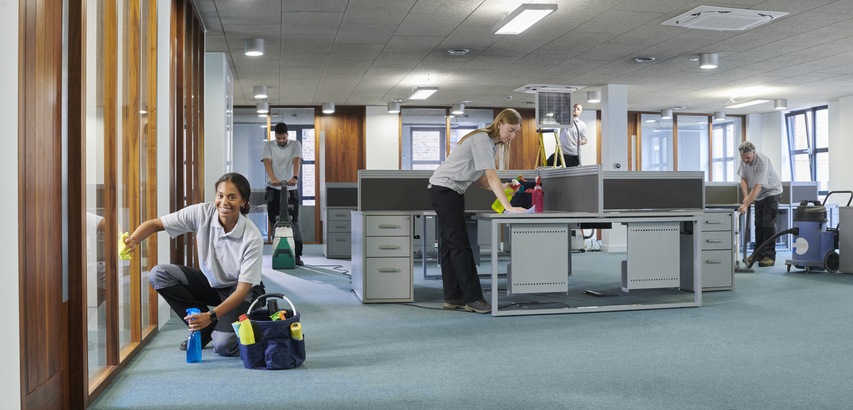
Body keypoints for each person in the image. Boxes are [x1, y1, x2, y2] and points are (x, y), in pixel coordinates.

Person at [123, 173, 266, 356]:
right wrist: (134, 240)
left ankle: (248, 319)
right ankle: (205, 330)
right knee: (159, 274)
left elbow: (242, 290)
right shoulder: (201, 213)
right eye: (220, 195)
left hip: (241, 291)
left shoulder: (252, 237)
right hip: (212, 283)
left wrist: (211, 315)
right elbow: (156, 224)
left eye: (232, 197)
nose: (224, 202)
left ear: (243, 201)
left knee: (224, 346)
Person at [428, 108, 527, 314]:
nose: (512, 136)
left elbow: (483, 181)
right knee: (460, 245)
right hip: (445, 190)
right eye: (510, 130)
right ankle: (473, 298)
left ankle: (453, 297)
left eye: (516, 132)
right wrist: (507, 207)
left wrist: (505, 188)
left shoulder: (491, 145)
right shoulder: (482, 139)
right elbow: (491, 177)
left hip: (450, 191)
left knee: (449, 246)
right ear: (499, 124)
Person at [262, 122, 304, 266]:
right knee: (274, 222)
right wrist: (273, 178)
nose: (281, 141)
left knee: (294, 222)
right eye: (279, 138)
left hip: (290, 189)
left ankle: (297, 255)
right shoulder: (268, 145)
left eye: (283, 138)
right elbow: (267, 162)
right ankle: (277, 252)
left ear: (287, 135)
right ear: (275, 136)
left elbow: (297, 161)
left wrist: (295, 178)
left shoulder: (295, 144)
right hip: (273, 189)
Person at [736, 141, 783, 267]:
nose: (745, 160)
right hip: (759, 195)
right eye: (743, 157)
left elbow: (758, 186)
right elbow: (744, 179)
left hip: (771, 192)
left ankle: (769, 256)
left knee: (768, 224)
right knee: (758, 224)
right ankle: (758, 253)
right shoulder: (743, 160)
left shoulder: (762, 162)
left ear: (754, 153)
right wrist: (746, 197)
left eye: (748, 157)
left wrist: (746, 205)